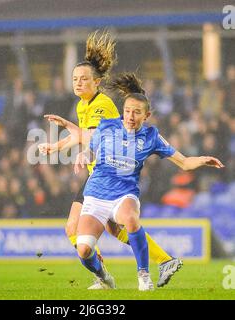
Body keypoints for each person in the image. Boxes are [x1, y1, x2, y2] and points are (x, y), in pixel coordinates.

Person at [44, 72, 224, 290]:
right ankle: (103, 276)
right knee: (83, 249)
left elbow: (184, 162)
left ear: (146, 115)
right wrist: (83, 156)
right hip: (96, 194)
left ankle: (144, 275)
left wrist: (203, 160)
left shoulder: (152, 136)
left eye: (136, 112)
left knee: (130, 219)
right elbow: (90, 149)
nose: (130, 116)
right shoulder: (108, 126)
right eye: (128, 111)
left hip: (124, 194)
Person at [39, 31, 183, 288]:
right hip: (99, 176)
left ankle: (105, 275)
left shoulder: (101, 104)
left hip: (108, 176)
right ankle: (162, 261)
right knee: (113, 229)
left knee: (75, 227)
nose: (78, 83)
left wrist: (65, 146)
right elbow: (85, 135)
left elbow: (93, 135)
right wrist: (59, 145)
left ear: (97, 82)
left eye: (84, 79)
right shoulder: (83, 105)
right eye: (75, 79)